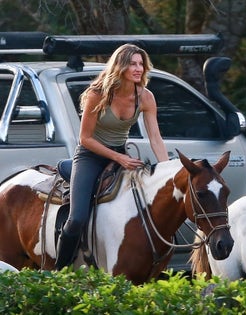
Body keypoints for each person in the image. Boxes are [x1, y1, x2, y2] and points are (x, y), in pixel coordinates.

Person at [55, 44, 169, 269]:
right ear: (120, 66)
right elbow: (85, 139)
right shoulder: (97, 94)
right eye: (133, 64)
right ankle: (59, 270)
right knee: (77, 218)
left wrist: (167, 170)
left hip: (120, 154)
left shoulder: (145, 97)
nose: (138, 69)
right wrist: (119, 159)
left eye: (141, 64)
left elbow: (155, 137)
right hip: (90, 155)